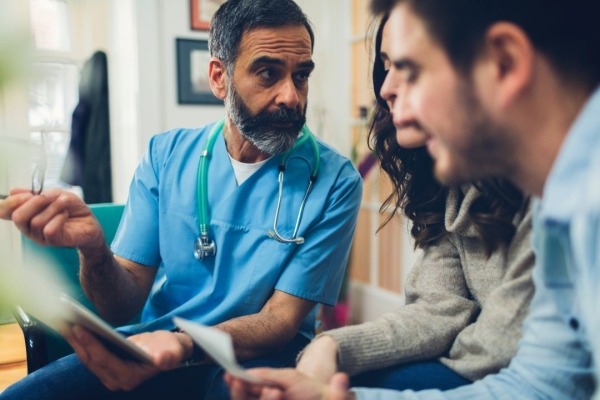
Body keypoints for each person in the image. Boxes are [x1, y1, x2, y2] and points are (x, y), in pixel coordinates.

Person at [226, 0, 600, 398]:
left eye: (409, 69)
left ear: (504, 63)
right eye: (386, 66)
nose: (386, 88)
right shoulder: (557, 203)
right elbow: (542, 383)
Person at [0, 0, 362, 399]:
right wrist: (95, 248)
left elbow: (280, 319)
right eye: (268, 73)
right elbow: (121, 308)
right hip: (154, 345)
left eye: (301, 75)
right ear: (219, 77)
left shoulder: (334, 181)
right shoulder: (165, 157)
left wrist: (188, 343)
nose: (291, 97)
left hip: (261, 358)